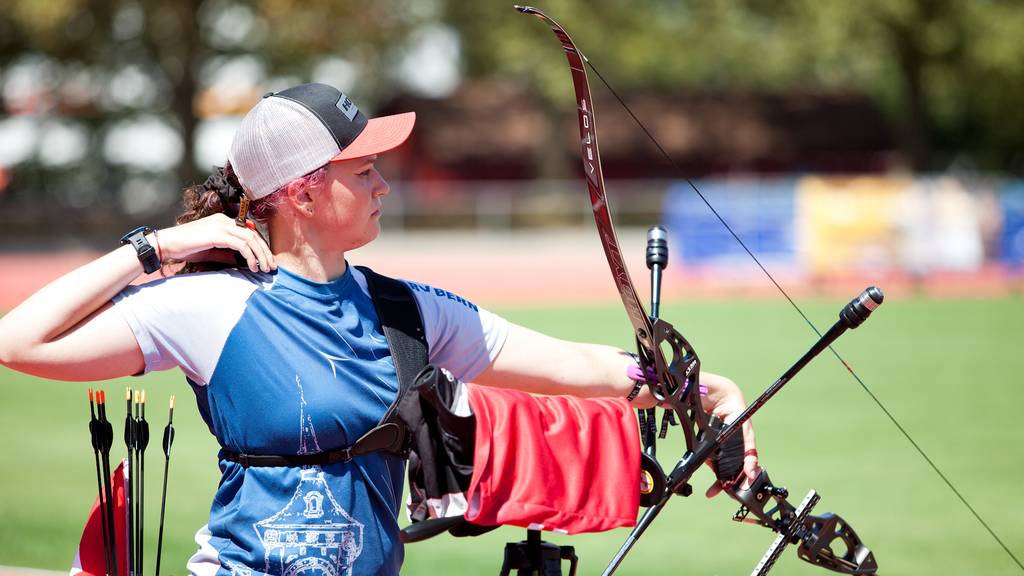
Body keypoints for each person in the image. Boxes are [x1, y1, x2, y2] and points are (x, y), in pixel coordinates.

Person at [0, 83, 759, 575]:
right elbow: (19, 342)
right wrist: (155, 250)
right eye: (362, 171)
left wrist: (705, 389)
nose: (383, 184)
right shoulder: (211, 306)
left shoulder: (407, 311)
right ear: (302, 191)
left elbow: (569, 365)